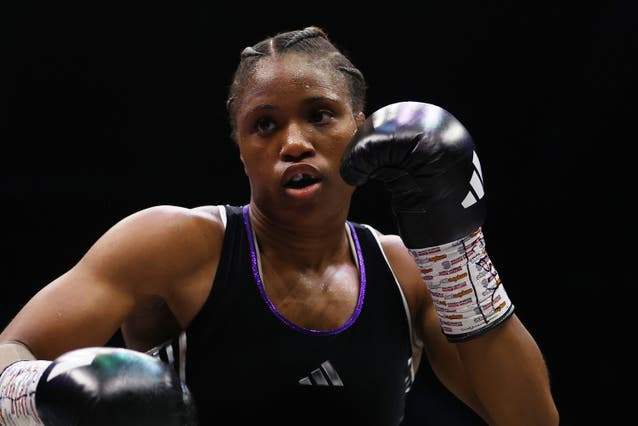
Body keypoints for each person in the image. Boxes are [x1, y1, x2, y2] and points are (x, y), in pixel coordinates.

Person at [0, 26, 559, 425]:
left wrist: (456, 251)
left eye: (320, 115)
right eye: (264, 124)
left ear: (361, 129)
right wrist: (45, 392)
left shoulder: (406, 273)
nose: (293, 143)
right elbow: (13, 349)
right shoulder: (175, 244)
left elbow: (530, 418)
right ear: (240, 149)